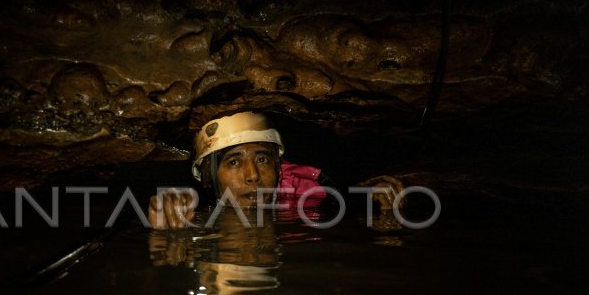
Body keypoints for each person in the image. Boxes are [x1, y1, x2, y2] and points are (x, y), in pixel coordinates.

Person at [147, 110, 405, 230]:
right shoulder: (193, 221)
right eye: (234, 162)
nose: (253, 176)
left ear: (279, 166)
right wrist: (164, 231)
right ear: (208, 176)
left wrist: (386, 214)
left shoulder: (313, 211)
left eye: (262, 160)